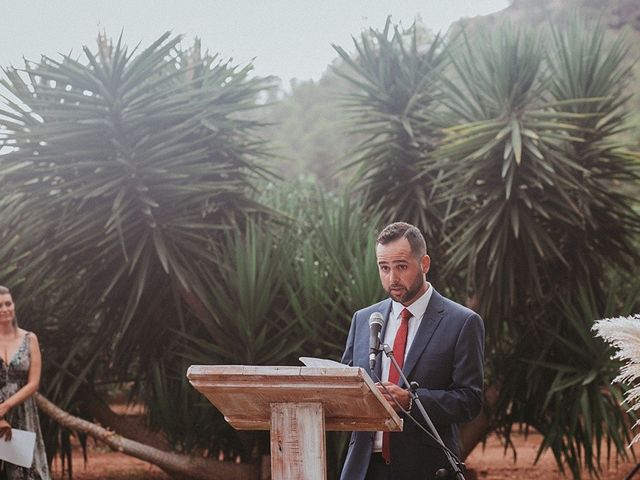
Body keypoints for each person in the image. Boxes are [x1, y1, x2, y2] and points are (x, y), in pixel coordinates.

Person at [340, 222, 485, 480]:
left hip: (426, 468)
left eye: (401, 267)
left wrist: (411, 401)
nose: (392, 278)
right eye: (384, 268)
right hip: (363, 469)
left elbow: (469, 400)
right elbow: (347, 389)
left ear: (424, 264)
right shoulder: (363, 320)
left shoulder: (462, 322)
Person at [0, 285, 51, 479]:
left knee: (26, 471)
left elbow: (34, 383)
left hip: (22, 412)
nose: (5, 309)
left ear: (14, 305)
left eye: (8, 303)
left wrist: (6, 406)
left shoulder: (30, 339)